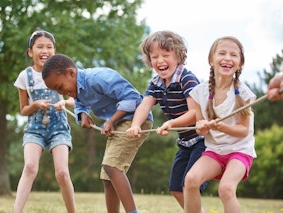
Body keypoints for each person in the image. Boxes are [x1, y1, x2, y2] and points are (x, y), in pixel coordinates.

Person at [41, 53, 153, 213]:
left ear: (71, 73)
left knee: (112, 167)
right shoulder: (77, 89)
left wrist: (111, 120)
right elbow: (80, 103)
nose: (64, 94)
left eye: (60, 87)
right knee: (107, 177)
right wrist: (82, 115)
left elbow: (133, 98)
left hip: (135, 120)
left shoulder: (99, 77)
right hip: (118, 124)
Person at [126, 31, 207, 211]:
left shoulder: (187, 79)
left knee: (189, 184)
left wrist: (170, 123)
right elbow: (144, 106)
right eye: (155, 56)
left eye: (166, 55)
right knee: (176, 188)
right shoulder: (156, 84)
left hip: (203, 140)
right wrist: (135, 125)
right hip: (185, 142)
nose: (160, 60)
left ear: (178, 55)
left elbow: (195, 113)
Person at [184, 36, 257, 213]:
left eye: (234, 55)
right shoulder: (199, 92)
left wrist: (220, 127)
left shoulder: (244, 94)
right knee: (191, 180)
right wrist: (202, 128)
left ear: (240, 63)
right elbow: (201, 129)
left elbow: (243, 131)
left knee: (226, 189)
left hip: (239, 151)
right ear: (211, 60)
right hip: (215, 151)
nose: (227, 58)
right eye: (222, 53)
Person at [13, 30, 76, 213]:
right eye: (39, 46)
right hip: (35, 128)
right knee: (30, 167)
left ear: (54, 51)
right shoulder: (25, 77)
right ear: (30, 52)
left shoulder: (63, 73)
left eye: (49, 47)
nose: (44, 50)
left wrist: (64, 102)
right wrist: (36, 105)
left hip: (59, 128)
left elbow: (74, 100)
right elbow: (24, 110)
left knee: (62, 173)